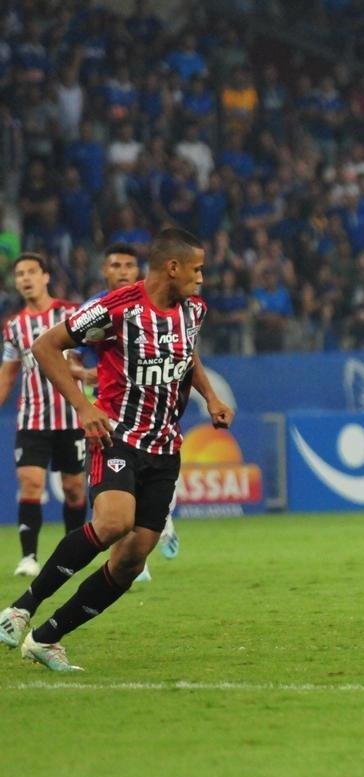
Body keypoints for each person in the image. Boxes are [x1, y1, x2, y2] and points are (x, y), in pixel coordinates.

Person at [0, 227, 232, 672]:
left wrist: (210, 396)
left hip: (165, 446)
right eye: (197, 269)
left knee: (129, 560)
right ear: (172, 267)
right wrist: (83, 407)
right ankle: (22, 608)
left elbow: (186, 356)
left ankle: (46, 639)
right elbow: (46, 346)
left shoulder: (194, 310)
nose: (202, 278)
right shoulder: (117, 308)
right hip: (117, 435)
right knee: (112, 523)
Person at [78, 244, 182, 584]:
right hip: (106, 413)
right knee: (115, 492)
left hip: (148, 409)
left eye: (128, 265)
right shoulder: (94, 309)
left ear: (138, 271)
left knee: (153, 472)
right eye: (115, 265)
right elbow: (67, 353)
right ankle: (139, 549)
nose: (122, 271)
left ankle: (159, 527)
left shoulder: (153, 305)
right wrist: (83, 378)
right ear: (105, 271)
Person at [0, 253, 87, 577]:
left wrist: (84, 375)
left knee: (74, 488)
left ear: (45, 276)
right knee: (30, 482)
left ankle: (71, 554)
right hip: (33, 419)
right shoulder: (14, 326)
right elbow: (8, 375)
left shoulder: (71, 314)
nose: (25, 278)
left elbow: (86, 356)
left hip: (71, 416)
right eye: (19, 274)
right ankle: (29, 557)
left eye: (31, 272)